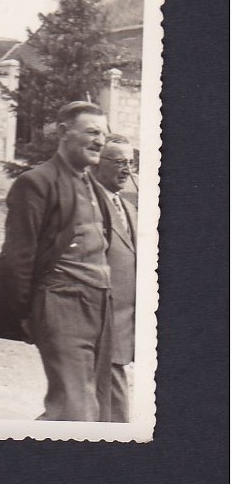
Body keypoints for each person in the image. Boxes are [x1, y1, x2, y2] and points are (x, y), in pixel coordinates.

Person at [0, 101, 114, 422]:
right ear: (64, 133)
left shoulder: (93, 185)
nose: (100, 141)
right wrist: (26, 312)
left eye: (104, 134)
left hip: (100, 305)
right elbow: (16, 258)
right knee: (75, 407)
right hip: (61, 302)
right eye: (92, 132)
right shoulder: (37, 182)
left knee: (93, 404)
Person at [92, 134, 138, 422]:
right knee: (114, 409)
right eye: (120, 162)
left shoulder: (129, 208)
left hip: (124, 322)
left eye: (130, 163)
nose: (127, 170)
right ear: (100, 163)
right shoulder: (91, 203)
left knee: (87, 405)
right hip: (101, 321)